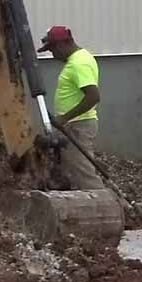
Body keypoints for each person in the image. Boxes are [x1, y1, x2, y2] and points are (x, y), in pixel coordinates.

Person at [38, 25, 102, 190]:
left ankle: (105, 208)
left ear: (60, 45)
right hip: (75, 124)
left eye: (52, 50)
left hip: (77, 125)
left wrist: (64, 118)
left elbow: (93, 96)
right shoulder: (81, 58)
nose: (53, 55)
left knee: (83, 172)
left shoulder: (78, 64)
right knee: (73, 170)